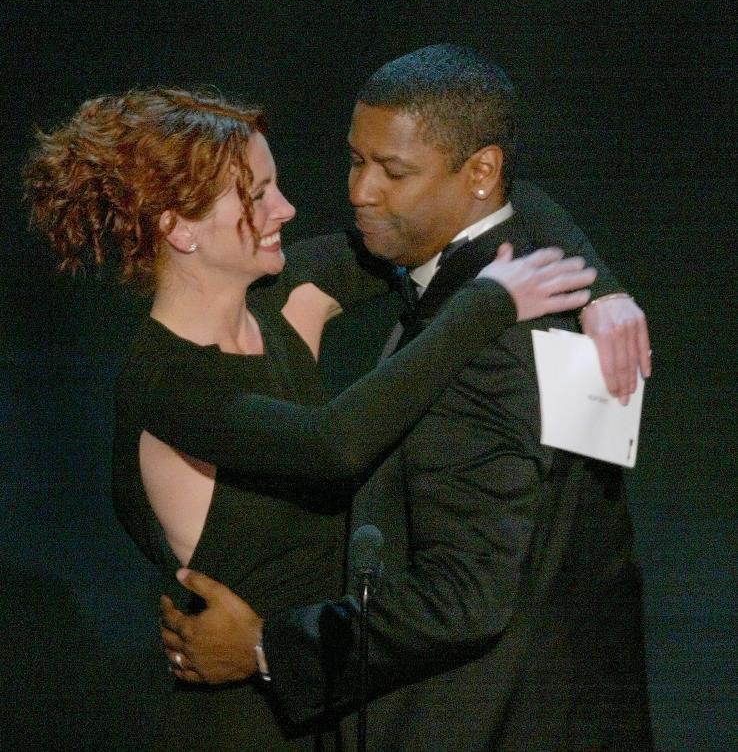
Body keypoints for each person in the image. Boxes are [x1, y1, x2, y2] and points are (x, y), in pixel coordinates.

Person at [24, 87, 612, 751]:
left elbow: (457, 211)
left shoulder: (287, 293)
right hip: (241, 728)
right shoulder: (165, 382)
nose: (286, 209)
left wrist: (607, 294)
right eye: (256, 196)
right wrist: (489, 303)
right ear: (179, 229)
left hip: (330, 708)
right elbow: (333, 444)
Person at [161, 46, 654, 751]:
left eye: (393, 171)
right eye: (355, 160)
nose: (360, 191)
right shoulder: (527, 292)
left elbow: (467, 596)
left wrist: (267, 647)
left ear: (480, 172)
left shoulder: (491, 337)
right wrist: (600, 283)